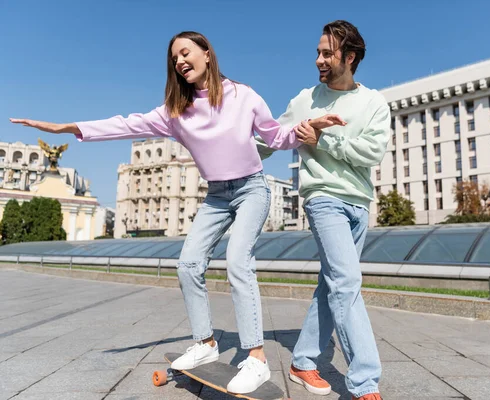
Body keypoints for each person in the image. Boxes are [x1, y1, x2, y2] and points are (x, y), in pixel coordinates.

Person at [10, 30, 344, 394]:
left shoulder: (243, 95)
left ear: (206, 53)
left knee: (237, 261)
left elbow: (276, 138)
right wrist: (70, 128)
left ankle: (257, 359)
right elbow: (126, 123)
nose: (180, 62)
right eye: (174, 59)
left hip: (251, 188)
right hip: (216, 195)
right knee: (187, 265)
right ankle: (205, 344)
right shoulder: (176, 112)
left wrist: (309, 128)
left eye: (185, 53)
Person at [257, 20, 390, 400]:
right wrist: (219, 149)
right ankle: (365, 382)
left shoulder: (374, 103)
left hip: (359, 204)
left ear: (349, 57)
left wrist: (324, 138)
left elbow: (371, 153)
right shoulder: (304, 100)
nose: (318, 59)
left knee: (331, 285)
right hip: (322, 198)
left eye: (327, 53)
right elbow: (270, 141)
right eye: (318, 52)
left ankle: (302, 361)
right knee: (347, 284)